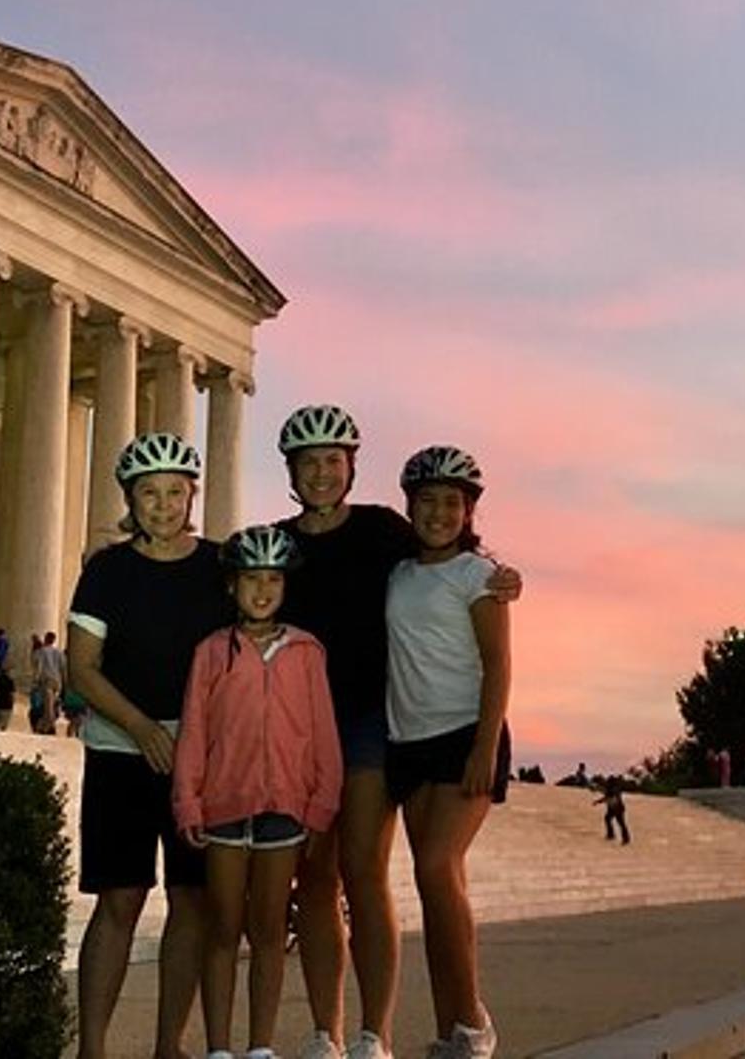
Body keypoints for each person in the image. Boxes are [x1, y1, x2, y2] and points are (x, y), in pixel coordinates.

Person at [271, 405, 521, 1059]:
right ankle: (325, 1030)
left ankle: (374, 1035)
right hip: (302, 726)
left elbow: (456, 560)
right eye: (309, 462)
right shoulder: (276, 543)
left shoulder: (384, 531)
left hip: (370, 723)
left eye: (333, 460)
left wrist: (505, 577)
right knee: (314, 877)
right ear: (292, 471)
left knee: (364, 869)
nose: (322, 472)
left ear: (351, 466)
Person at [68, 432, 226, 1059]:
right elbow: (83, 668)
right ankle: (94, 1050)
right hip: (120, 751)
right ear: (130, 500)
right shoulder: (107, 571)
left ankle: (170, 1046)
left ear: (192, 495)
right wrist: (143, 729)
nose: (163, 505)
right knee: (120, 898)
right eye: (149, 494)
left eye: (174, 492)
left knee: (191, 899)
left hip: (197, 761)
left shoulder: (220, 567)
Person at [174, 524, 344, 1059]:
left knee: (269, 931)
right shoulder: (210, 653)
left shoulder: (307, 652)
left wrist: (322, 806)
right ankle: (220, 1048)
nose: (262, 590)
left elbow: (324, 734)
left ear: (285, 585)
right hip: (225, 806)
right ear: (231, 586)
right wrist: (188, 801)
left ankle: (260, 1047)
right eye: (251, 579)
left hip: (285, 812)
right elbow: (194, 731)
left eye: (272, 578)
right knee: (223, 928)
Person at [387, 445, 513, 1059]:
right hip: (409, 741)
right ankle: (449, 1034)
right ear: (409, 507)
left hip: (466, 735)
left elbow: (497, 665)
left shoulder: (479, 576)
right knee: (435, 886)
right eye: (428, 501)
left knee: (438, 867)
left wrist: (485, 748)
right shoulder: (398, 573)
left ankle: (473, 1022)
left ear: (469, 512)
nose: (439, 513)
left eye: (451, 503)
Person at [32, 630, 66, 735]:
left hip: (46, 681)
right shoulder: (59, 652)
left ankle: (50, 728)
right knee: (50, 705)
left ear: (46, 638)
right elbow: (63, 668)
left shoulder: (42, 651)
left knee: (48, 707)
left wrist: (35, 680)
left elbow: (38, 666)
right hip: (57, 681)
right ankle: (44, 727)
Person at [595, 776, 629, 845]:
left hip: (617, 808)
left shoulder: (613, 789)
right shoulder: (613, 788)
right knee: (608, 819)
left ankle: (625, 838)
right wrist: (598, 801)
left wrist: (599, 801)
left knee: (620, 823)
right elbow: (607, 797)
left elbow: (608, 797)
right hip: (613, 808)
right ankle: (612, 834)